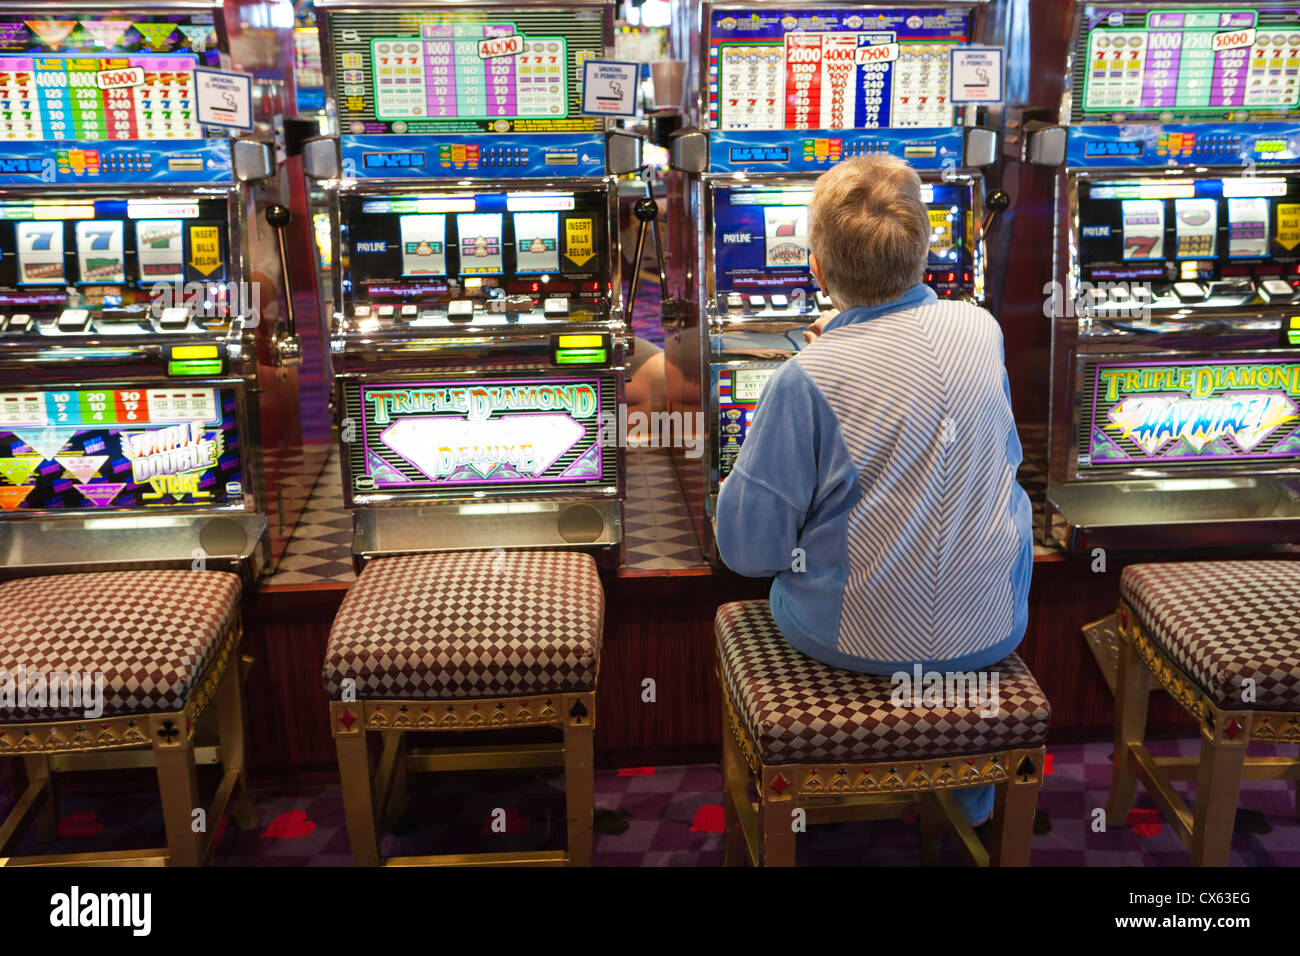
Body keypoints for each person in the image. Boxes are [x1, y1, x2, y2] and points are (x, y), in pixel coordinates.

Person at [714, 154, 1034, 828]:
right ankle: (961, 785)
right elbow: (1004, 456)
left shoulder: (807, 375)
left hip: (850, 646)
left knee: (790, 573)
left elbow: (745, 550)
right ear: (925, 252)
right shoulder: (983, 330)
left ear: (820, 272)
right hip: (992, 632)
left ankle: (810, 802)